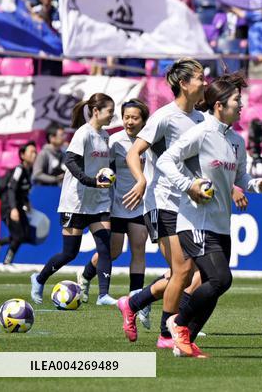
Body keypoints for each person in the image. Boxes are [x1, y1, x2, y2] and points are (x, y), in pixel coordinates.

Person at [157, 73, 262, 358]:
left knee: (217, 284)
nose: (241, 106)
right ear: (219, 105)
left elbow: (242, 176)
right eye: (237, 101)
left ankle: (185, 342)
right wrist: (189, 186)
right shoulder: (201, 132)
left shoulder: (236, 140)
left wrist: (256, 184)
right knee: (221, 279)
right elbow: (165, 160)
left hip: (221, 224)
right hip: (195, 221)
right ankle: (178, 322)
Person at [116, 59, 207, 348]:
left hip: (189, 205)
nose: (205, 82)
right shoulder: (164, 117)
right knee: (183, 271)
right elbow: (134, 153)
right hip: (162, 201)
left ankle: (134, 302)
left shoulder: (201, 120)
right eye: (200, 78)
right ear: (184, 83)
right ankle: (167, 334)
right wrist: (140, 180)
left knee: (189, 273)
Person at [30, 94, 117, 307]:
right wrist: (90, 181)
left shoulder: (105, 135)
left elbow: (104, 166)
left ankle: (103, 295)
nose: (112, 116)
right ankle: (39, 279)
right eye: (109, 111)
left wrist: (108, 179)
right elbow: (70, 161)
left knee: (105, 247)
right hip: (75, 202)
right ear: (96, 111)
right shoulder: (83, 133)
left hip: (98, 201)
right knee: (69, 253)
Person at [78, 100, 151, 316]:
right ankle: (85, 276)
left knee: (139, 247)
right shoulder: (115, 141)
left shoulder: (151, 141)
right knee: (114, 251)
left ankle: (135, 298)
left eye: (134, 117)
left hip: (140, 205)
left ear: (143, 120)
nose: (129, 121)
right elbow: (101, 168)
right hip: (117, 204)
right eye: (126, 117)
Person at [0, 142, 36, 265]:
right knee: (18, 236)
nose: (34, 154)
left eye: (35, 152)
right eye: (31, 152)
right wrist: (13, 208)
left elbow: (23, 191)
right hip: (9, 206)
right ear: (23, 155)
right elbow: (11, 188)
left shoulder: (29, 171)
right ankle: (7, 263)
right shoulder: (19, 169)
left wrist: (27, 203)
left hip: (18, 206)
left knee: (24, 235)